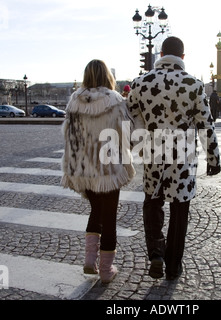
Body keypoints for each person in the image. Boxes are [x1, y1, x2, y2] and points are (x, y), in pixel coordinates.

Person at [127, 36, 221, 281]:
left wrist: (139, 142)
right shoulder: (194, 85)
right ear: (183, 57)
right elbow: (205, 125)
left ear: (160, 56)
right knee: (180, 209)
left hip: (154, 153)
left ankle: (156, 253)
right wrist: (213, 158)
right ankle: (173, 265)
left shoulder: (140, 83)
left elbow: (131, 118)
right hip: (183, 156)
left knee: (152, 202)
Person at [61, 59, 135, 284]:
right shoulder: (115, 100)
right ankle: (105, 269)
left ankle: (90, 259)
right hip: (108, 168)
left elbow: (68, 135)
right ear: (107, 76)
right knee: (109, 217)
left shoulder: (74, 101)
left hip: (83, 169)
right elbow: (128, 134)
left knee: (96, 212)